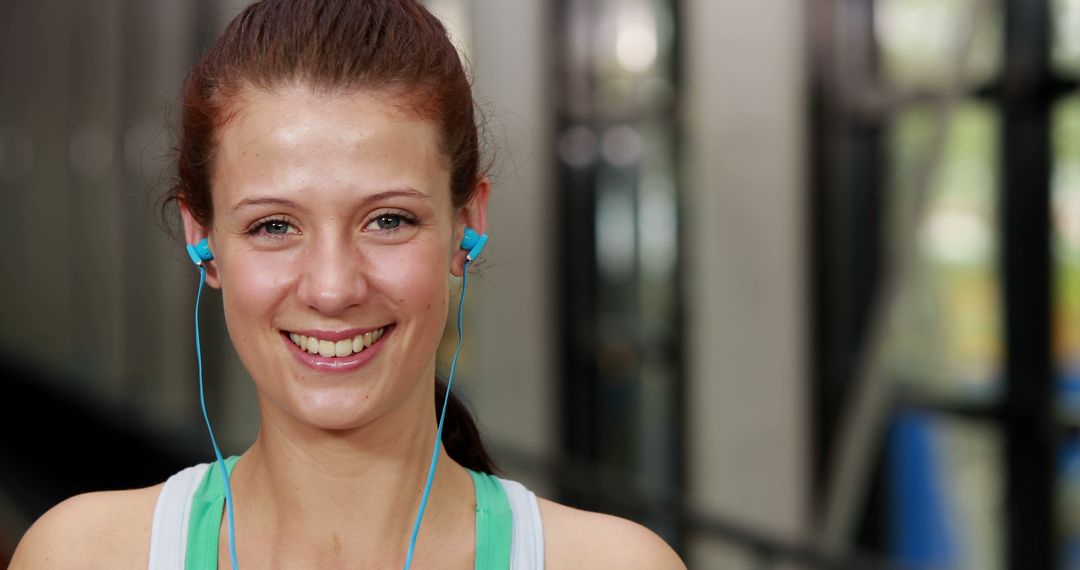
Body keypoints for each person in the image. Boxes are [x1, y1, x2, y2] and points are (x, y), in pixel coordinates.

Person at [10, 0, 685, 568]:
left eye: (388, 220)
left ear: (467, 224)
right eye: (274, 226)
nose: (333, 289)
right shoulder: (84, 555)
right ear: (202, 237)